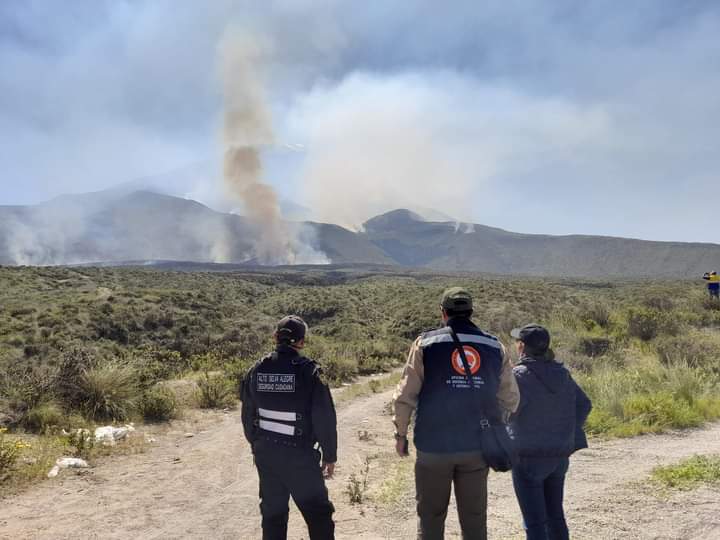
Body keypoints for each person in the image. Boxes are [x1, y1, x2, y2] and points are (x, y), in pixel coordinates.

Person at [392, 287, 520, 540]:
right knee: (474, 521)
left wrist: (400, 433)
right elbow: (511, 398)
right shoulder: (494, 346)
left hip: (433, 446)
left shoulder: (425, 343)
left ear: (443, 313)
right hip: (476, 447)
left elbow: (405, 395)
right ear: (471, 312)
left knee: (430, 519)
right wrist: (497, 424)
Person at [241, 315, 337, 540]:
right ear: (302, 342)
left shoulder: (256, 370)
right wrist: (330, 456)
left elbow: (247, 415)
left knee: (273, 516)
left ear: (275, 337)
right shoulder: (309, 371)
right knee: (318, 515)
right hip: (300, 457)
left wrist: (257, 445)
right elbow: (325, 418)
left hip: (267, 454)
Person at [506, 324, 592, 540]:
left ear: (522, 347)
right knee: (555, 517)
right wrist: (565, 432)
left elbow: (506, 411)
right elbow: (584, 404)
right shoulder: (562, 373)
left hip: (528, 457)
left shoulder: (518, 375)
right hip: (559, 455)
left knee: (535, 523)